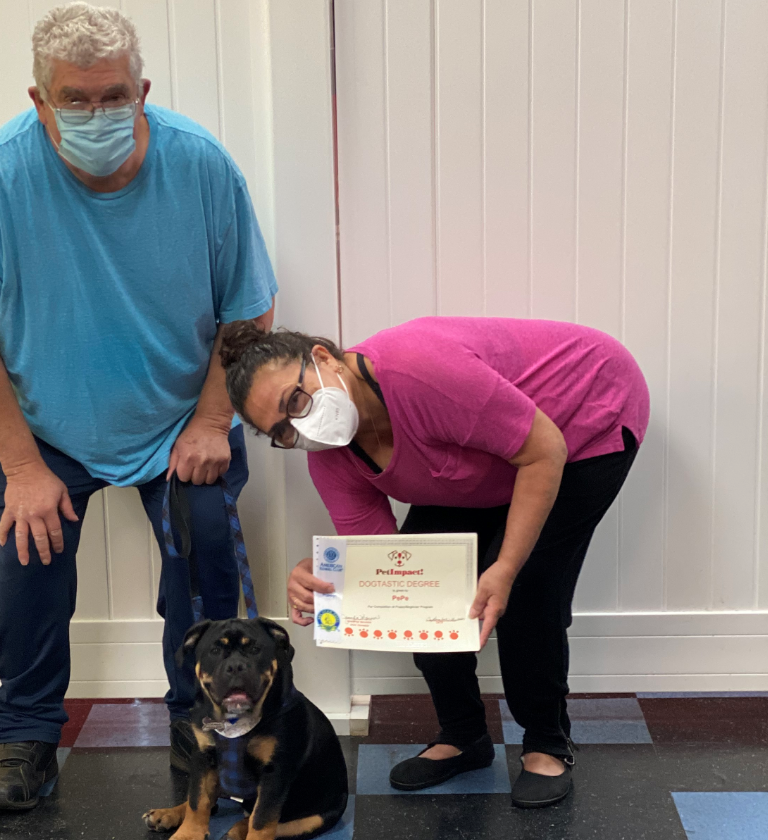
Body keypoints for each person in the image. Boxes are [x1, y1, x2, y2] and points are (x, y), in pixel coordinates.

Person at [0, 2, 276, 811]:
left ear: (142, 89)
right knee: (30, 561)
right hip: (47, 424)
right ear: (38, 100)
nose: (96, 114)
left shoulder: (200, 167)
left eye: (113, 96)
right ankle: (24, 737)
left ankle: (201, 736)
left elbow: (249, 315)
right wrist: (21, 466)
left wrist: (207, 421)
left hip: (181, 415)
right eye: (74, 100)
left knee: (202, 557)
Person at [220, 317, 649, 807]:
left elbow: (542, 449)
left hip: (585, 416)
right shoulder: (330, 457)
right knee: (422, 587)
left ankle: (547, 742)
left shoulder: (418, 371)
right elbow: (386, 571)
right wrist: (322, 579)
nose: (301, 427)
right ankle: (465, 734)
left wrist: (504, 568)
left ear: (322, 357)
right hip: (494, 452)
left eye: (295, 402)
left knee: (529, 587)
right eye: (283, 431)